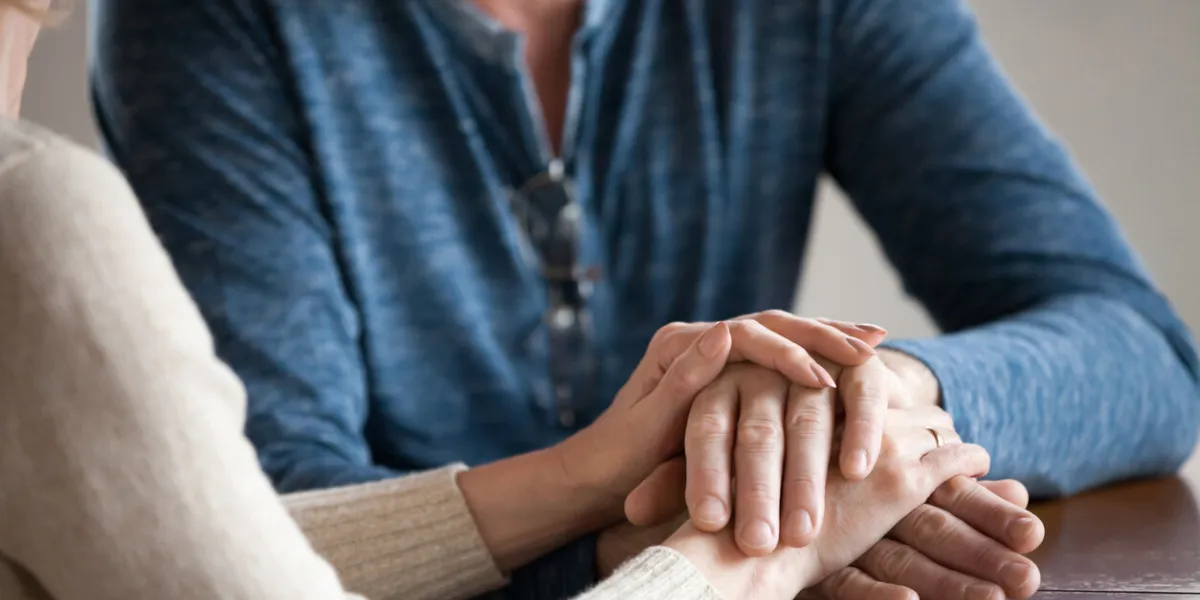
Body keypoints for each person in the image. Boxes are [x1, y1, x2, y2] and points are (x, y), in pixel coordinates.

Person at [88, 0, 1199, 597]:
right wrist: (738, 542)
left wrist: (869, 404)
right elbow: (279, 521)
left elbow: (1143, 351)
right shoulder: (211, 17)